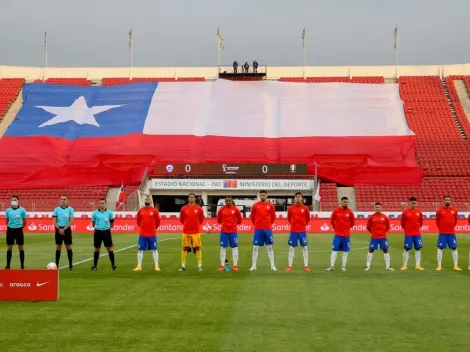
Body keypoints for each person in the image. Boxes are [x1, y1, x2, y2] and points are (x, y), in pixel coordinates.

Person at [249, 190, 277, 271]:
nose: (262, 196)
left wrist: (268, 224)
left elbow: (273, 217)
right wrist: (257, 224)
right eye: (261, 195)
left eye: (264, 195)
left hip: (267, 229)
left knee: (270, 247)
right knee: (255, 247)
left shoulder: (270, 206)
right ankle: (254, 265)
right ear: (259, 196)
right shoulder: (255, 205)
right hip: (258, 229)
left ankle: (272, 265)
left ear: (266, 196)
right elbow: (252, 217)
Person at [326, 196, 355, 271]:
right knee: (334, 250)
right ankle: (331, 266)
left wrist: (346, 229)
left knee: (345, 251)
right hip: (338, 235)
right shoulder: (336, 211)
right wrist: (336, 228)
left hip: (346, 235)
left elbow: (352, 223)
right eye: (344, 202)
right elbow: (332, 221)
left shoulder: (350, 212)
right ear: (341, 202)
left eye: (347, 202)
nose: (346, 203)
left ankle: (343, 266)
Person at [134, 195, 161, 271]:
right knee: (140, 250)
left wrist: (153, 228)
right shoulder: (140, 211)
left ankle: (156, 265)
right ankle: (139, 266)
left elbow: (158, 222)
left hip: (152, 234)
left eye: (148, 199)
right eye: (146, 199)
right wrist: (143, 228)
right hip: (142, 234)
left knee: (154, 249)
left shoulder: (155, 211)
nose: (147, 200)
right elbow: (138, 222)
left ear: (150, 201)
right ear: (144, 201)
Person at [179, 193, 205, 271]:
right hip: (186, 231)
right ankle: (183, 265)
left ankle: (199, 265)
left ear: (195, 199)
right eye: (189, 197)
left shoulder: (199, 208)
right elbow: (181, 219)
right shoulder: (184, 208)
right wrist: (187, 224)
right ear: (188, 199)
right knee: (184, 248)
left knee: (197, 247)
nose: (191, 198)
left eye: (192, 197)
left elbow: (201, 219)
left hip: (195, 232)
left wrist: (195, 225)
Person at [286, 192, 311, 272]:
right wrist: (294, 225)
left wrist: (302, 225)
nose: (298, 198)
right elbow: (289, 218)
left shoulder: (305, 208)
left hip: (302, 231)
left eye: (299, 196)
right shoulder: (290, 208)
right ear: (294, 198)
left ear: (302, 198)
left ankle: (306, 266)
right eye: (297, 196)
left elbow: (307, 219)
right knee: (291, 248)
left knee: (305, 248)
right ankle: (290, 266)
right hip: (293, 231)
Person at [216, 196, 242, 272]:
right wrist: (226, 224)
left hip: (233, 232)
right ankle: (222, 265)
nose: (228, 202)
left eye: (229, 201)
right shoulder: (221, 210)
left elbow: (239, 220)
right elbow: (218, 220)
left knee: (234, 248)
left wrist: (232, 224)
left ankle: (235, 265)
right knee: (223, 248)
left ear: (232, 201)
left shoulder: (236, 210)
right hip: (224, 232)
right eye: (226, 201)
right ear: (225, 201)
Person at [365, 203, 394, 271]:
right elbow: (368, 227)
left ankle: (388, 266)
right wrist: (372, 233)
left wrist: (383, 232)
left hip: (383, 237)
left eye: (379, 207)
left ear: (381, 208)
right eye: (376, 207)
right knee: (371, 250)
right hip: (374, 237)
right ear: (374, 208)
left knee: (385, 250)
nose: (377, 208)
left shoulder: (384, 217)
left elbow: (388, 226)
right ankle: (368, 266)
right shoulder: (371, 217)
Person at [436, 195, 461, 271]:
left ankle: (456, 265)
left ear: (451, 201)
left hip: (451, 233)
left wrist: (451, 228)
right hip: (442, 233)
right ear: (443, 201)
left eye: (449, 200)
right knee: (440, 248)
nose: (447, 201)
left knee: (454, 248)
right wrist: (441, 229)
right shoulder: (440, 210)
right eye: (446, 200)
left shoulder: (454, 210)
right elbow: (437, 222)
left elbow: (455, 221)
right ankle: (439, 265)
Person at [91, 199, 116, 271]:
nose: (102, 204)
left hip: (106, 232)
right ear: (99, 204)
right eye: (100, 203)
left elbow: (112, 223)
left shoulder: (109, 213)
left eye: (103, 203)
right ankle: (95, 266)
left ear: (105, 204)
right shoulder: (95, 213)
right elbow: (93, 223)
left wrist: (106, 228)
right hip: (98, 232)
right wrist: (99, 227)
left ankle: (113, 265)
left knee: (109, 248)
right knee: (97, 248)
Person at [401, 196, 424, 271]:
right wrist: (407, 229)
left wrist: (416, 229)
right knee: (407, 249)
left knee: (418, 249)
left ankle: (418, 265)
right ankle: (405, 265)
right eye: (412, 203)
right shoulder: (405, 212)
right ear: (409, 203)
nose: (414, 204)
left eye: (415, 203)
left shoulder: (419, 212)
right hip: (408, 234)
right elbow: (402, 223)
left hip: (417, 234)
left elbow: (421, 223)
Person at [4, 195, 27, 269]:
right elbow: (7, 221)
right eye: (12, 200)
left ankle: (22, 265)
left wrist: (19, 227)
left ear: (18, 201)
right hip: (10, 230)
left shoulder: (22, 210)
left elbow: (25, 221)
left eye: (15, 200)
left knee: (20, 247)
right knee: (9, 248)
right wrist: (10, 226)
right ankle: (8, 265)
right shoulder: (8, 210)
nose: (13, 201)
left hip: (19, 230)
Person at [53, 195, 74, 270]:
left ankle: (71, 265)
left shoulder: (70, 209)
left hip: (67, 230)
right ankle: (57, 265)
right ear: (60, 200)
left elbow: (71, 220)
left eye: (64, 199)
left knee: (68, 246)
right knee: (58, 247)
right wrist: (59, 229)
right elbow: (54, 221)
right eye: (62, 199)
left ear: (67, 200)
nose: (63, 200)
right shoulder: (56, 209)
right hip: (58, 229)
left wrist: (64, 229)